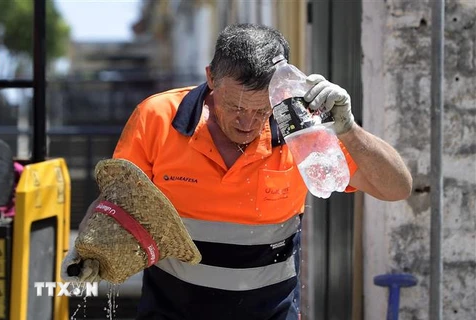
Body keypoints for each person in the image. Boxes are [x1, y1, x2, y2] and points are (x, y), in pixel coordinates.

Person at [61, 23, 412, 319]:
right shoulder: (158, 118)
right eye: (235, 107)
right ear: (211, 78)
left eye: (262, 110)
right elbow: (117, 205)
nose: (248, 123)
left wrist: (348, 129)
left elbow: (397, 188)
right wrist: (93, 247)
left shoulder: (304, 130)